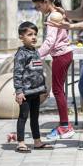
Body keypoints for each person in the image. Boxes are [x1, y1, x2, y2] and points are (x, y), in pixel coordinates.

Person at [32, 0, 75, 139]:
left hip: (61, 56)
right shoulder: (59, 14)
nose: (39, 10)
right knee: (58, 90)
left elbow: (50, 42)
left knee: (57, 91)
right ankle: (64, 125)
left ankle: (65, 126)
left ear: (46, 2)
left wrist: (36, 56)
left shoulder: (53, 17)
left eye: (39, 6)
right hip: (64, 54)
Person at [13, 21, 53, 153]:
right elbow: (17, 74)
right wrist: (19, 91)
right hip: (25, 92)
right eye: (30, 34)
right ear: (21, 37)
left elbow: (38, 71)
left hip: (36, 91)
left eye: (35, 34)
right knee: (23, 116)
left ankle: (37, 141)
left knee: (35, 117)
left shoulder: (35, 52)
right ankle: (21, 142)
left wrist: (43, 88)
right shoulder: (21, 54)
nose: (34, 37)